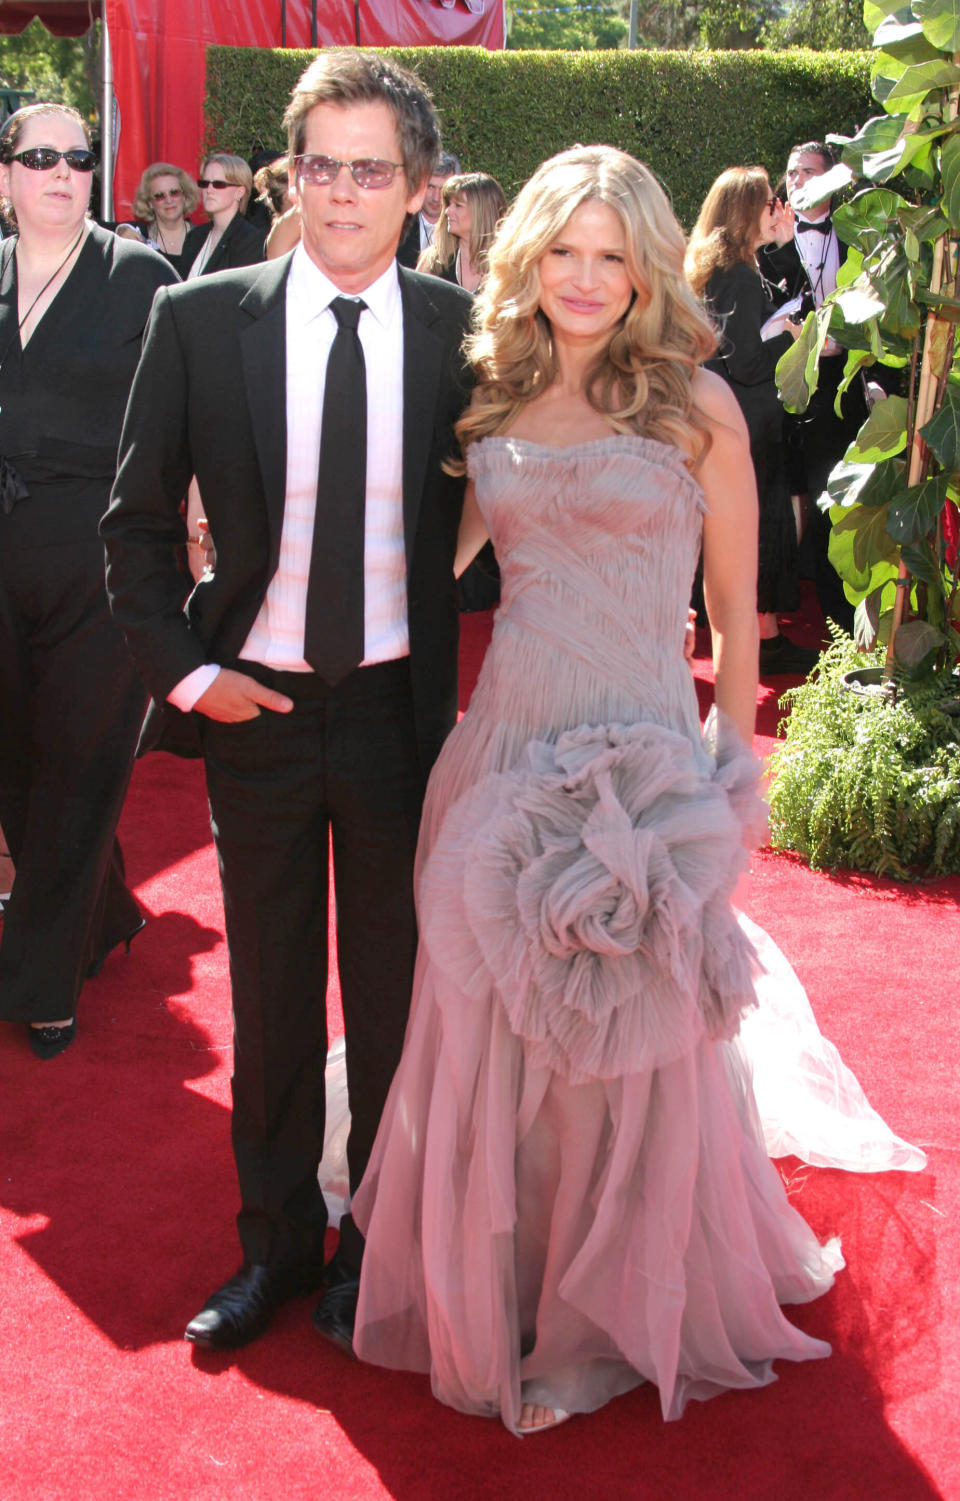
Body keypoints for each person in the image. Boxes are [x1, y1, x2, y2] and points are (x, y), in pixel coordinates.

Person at [349, 144, 846, 1433]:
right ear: (528, 258)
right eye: (563, 251)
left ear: (646, 269)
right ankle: (504, 1280)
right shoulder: (490, 398)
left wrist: (733, 771)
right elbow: (408, 556)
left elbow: (735, 613)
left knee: (620, 1050)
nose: (584, 278)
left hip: (640, 760)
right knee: (499, 1030)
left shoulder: (696, 405)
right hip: (507, 750)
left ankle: (605, 1306)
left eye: (612, 256)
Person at [101, 51, 474, 1350]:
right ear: (291, 174)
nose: (344, 192)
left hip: (391, 716)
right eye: (322, 164)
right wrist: (198, 679)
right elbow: (134, 528)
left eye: (373, 168)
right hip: (253, 710)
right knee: (269, 1003)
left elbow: (499, 518)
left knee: (389, 1003)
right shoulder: (205, 321)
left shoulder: (458, 336)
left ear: (417, 186)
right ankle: (272, 1249)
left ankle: (374, 1246)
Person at [0, 103, 178, 1058]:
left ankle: (39, 980)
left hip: (100, 559)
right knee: (16, 761)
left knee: (78, 761)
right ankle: (100, 910)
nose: (61, 171)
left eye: (78, 156)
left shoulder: (142, 279)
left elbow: (181, 422)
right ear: (6, 178)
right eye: (39, 157)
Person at [686, 167, 818, 677]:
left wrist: (786, 246)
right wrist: (789, 335)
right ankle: (763, 637)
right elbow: (745, 361)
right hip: (746, 421)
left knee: (747, 528)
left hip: (739, 420)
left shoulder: (736, 266)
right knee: (757, 527)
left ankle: (761, 634)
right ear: (744, 211)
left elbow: (791, 296)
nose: (778, 209)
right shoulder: (735, 274)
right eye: (769, 204)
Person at [759, 141, 868, 634]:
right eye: (791, 172)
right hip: (775, 387)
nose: (797, 180)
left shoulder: (858, 238)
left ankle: (837, 621)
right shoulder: (764, 240)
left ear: (833, 179)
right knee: (779, 497)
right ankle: (772, 615)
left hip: (834, 391)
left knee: (828, 497)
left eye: (808, 171)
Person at [417, 171, 506, 293]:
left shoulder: (507, 266)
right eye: (448, 204)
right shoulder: (433, 262)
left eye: (458, 205)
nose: (447, 211)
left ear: (481, 213)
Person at [181, 152, 264, 277]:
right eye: (204, 183)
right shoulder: (194, 237)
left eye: (218, 184)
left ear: (239, 192)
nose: (209, 190)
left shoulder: (250, 240)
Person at [131, 162, 200, 272]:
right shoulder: (141, 241)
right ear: (150, 203)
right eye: (159, 196)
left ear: (184, 196)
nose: (169, 200)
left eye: (174, 193)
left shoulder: (203, 239)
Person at [397, 148, 460, 268]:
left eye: (443, 189)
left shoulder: (463, 231)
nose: (436, 197)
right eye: (430, 187)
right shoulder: (398, 224)